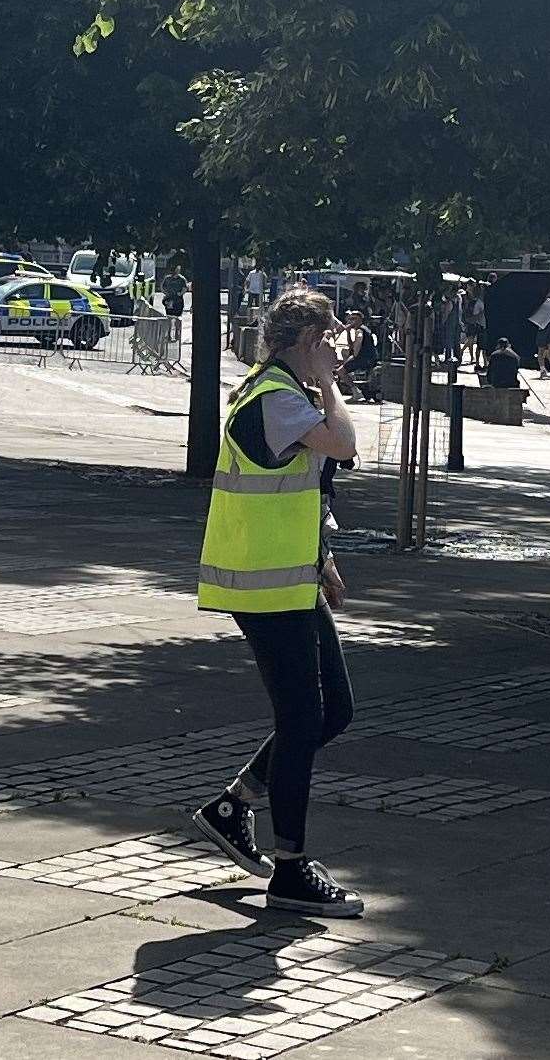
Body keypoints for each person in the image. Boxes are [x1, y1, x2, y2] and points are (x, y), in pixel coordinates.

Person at [193, 286, 363, 918]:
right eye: (332, 341)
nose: (340, 353)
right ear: (309, 341)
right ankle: (291, 870)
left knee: (332, 712)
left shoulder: (281, 393)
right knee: (302, 718)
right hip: (265, 583)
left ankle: (233, 807)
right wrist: (328, 385)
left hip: (288, 577)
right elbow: (344, 444)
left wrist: (321, 560)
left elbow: (297, 487)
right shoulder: (278, 397)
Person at [334, 310, 379, 401]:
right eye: (350, 319)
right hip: (364, 357)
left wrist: (353, 356)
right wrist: (347, 332)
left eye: (354, 319)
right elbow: (351, 345)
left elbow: (357, 346)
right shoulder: (357, 330)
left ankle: (357, 392)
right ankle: (356, 391)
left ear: (360, 320)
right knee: (342, 368)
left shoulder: (360, 330)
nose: (351, 321)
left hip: (365, 358)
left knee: (340, 371)